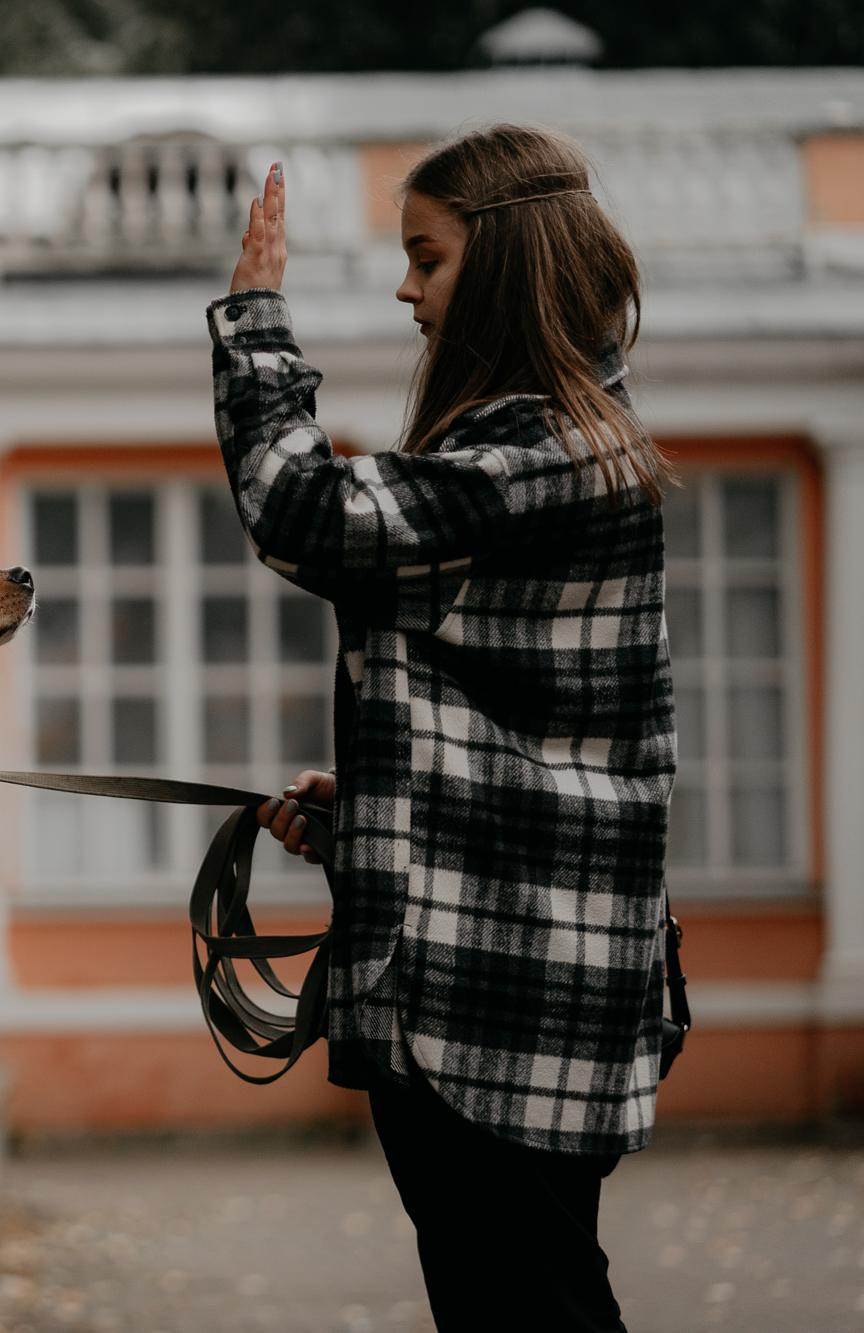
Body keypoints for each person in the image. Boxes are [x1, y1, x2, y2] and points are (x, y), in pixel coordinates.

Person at [207, 125, 677, 1333]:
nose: (405, 289)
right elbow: (518, 711)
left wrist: (254, 315)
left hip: (499, 985)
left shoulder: (545, 447)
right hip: (508, 968)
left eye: (428, 258)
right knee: (525, 1298)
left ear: (508, 264)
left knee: (528, 1306)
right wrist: (369, 806)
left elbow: (301, 510)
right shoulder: (549, 439)